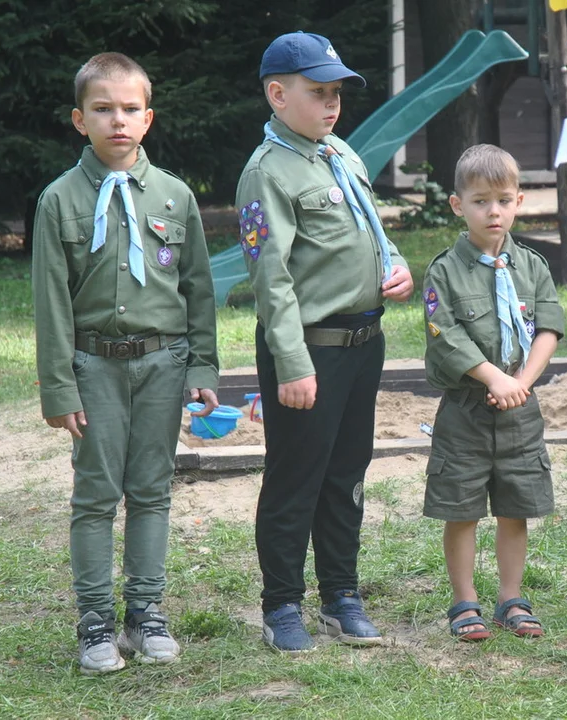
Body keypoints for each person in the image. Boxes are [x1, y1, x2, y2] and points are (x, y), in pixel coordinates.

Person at [32, 52, 220, 674]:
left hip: (163, 364)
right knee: (94, 496)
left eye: (130, 109)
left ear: (148, 117)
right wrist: (59, 387)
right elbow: (51, 302)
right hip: (94, 367)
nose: (118, 121)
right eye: (103, 109)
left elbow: (198, 290)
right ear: (79, 120)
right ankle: (94, 622)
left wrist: (201, 370)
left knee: (151, 492)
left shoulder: (175, 196)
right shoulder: (58, 200)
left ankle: (145, 613)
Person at [234, 32, 414, 654]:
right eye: (318, 93)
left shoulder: (340, 152)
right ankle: (282, 605)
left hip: (364, 342)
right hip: (309, 350)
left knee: (346, 474)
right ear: (278, 95)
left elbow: (367, 227)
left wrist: (396, 264)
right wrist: (291, 363)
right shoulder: (267, 173)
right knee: (296, 479)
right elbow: (271, 279)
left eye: (337, 92)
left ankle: (342, 596)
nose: (332, 104)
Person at [422, 144, 565, 641]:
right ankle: (464, 601)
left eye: (504, 199)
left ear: (519, 201)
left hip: (521, 409)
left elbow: (548, 327)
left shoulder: (533, 266)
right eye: (481, 201)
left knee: (515, 505)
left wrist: (520, 383)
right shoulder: (443, 271)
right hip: (466, 409)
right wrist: (494, 378)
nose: (494, 211)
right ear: (458, 205)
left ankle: (511, 598)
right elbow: (446, 333)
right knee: (461, 509)